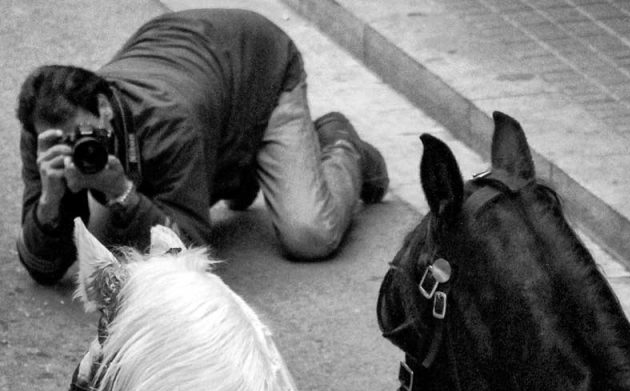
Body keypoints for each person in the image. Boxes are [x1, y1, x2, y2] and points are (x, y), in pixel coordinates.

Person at [15, 8, 389, 285]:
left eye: (84, 134)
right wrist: (49, 202)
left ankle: (340, 142)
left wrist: (122, 191)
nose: (78, 148)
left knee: (309, 234)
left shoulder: (171, 122)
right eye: (63, 142)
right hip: (200, 76)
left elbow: (189, 251)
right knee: (116, 238)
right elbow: (43, 268)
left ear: (102, 107)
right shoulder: (44, 129)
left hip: (260, 62)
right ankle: (244, 170)